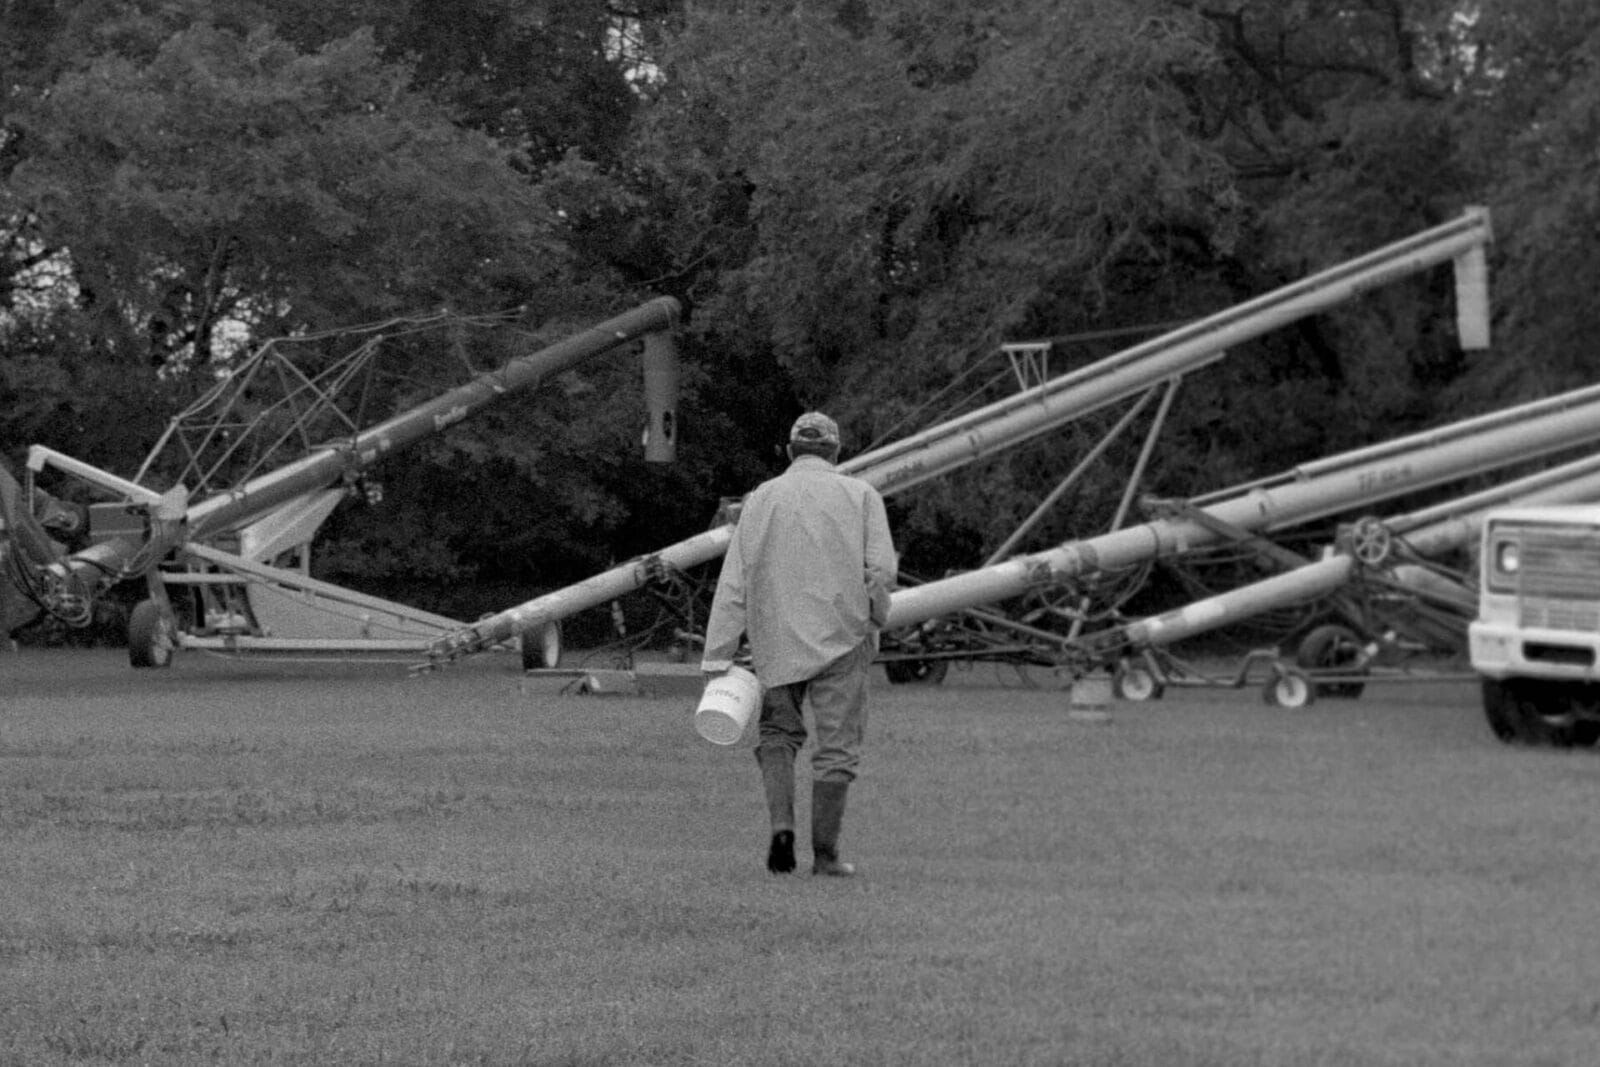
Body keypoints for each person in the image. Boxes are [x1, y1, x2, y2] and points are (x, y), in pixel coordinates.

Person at [701, 411, 897, 877]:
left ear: (790, 452)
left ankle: (781, 828)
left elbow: (735, 582)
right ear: (836, 451)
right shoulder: (862, 495)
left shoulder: (761, 499)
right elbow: (881, 571)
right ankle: (825, 855)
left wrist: (718, 653)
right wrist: (875, 618)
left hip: (777, 639)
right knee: (836, 747)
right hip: (843, 638)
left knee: (777, 736)